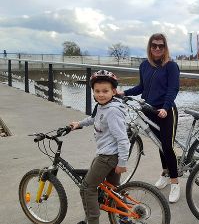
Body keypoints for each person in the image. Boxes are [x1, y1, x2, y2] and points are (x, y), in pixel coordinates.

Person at [120, 33, 180, 203]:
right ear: (150, 47)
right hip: (149, 110)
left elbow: (173, 89)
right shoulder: (145, 65)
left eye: (161, 46)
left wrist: (166, 107)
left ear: (165, 47)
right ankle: (165, 172)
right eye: (154, 45)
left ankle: (175, 183)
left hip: (166, 111)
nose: (157, 49)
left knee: (167, 146)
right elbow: (142, 87)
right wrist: (124, 93)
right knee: (158, 144)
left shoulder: (171, 66)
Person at [70, 70, 131, 224]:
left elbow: (123, 139)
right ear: (93, 91)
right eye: (97, 91)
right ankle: (124, 218)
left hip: (108, 157)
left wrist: (122, 162)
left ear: (114, 91)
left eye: (105, 91)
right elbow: (93, 118)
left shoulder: (112, 111)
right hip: (110, 155)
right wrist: (79, 124)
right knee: (112, 189)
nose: (101, 94)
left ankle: (92, 221)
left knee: (87, 188)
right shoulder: (103, 106)